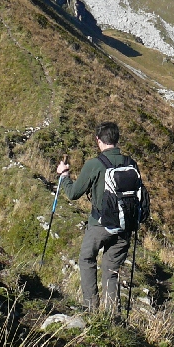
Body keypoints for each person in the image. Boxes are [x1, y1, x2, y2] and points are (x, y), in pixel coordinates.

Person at [56, 121, 137, 314]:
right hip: (125, 226)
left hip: (99, 224)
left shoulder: (95, 164)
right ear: (117, 139)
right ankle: (113, 316)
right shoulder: (130, 163)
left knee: (86, 259)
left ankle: (90, 308)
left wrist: (64, 175)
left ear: (98, 140)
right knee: (111, 270)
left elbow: (74, 193)